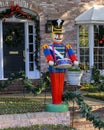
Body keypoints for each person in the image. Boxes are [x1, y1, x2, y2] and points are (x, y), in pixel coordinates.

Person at [42, 19, 78, 104]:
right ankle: (56, 101)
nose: (58, 37)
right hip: (54, 68)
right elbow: (47, 54)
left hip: (62, 67)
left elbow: (71, 53)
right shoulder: (47, 47)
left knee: (61, 85)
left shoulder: (66, 46)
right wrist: (50, 60)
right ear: (52, 35)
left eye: (60, 34)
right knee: (55, 85)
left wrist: (74, 60)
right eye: (56, 34)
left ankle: (59, 101)